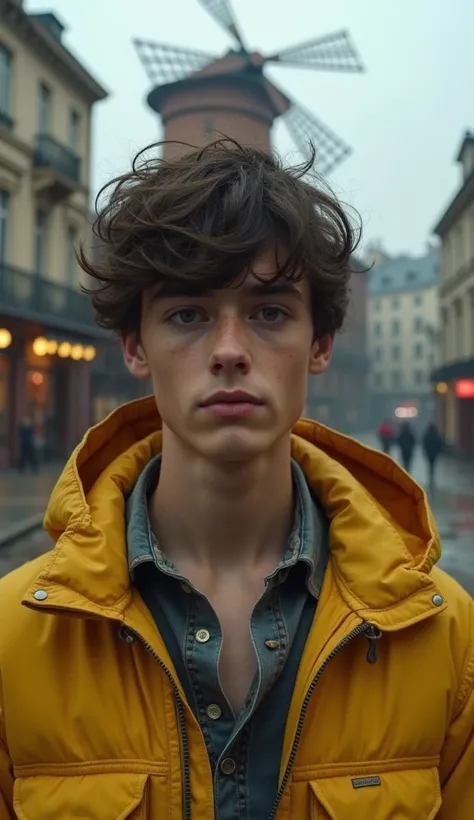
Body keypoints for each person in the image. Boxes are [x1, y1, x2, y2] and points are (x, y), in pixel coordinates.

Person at [0, 141, 472, 819]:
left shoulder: (444, 636)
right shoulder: (14, 638)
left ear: (320, 344)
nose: (228, 351)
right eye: (187, 314)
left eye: (270, 312)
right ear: (135, 345)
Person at [423, 422, 445, 486]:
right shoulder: (435, 435)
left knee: (431, 464)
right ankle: (431, 474)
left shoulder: (428, 435)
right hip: (433, 453)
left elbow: (425, 444)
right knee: (432, 464)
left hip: (431, 453)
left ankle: (431, 474)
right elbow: (440, 444)